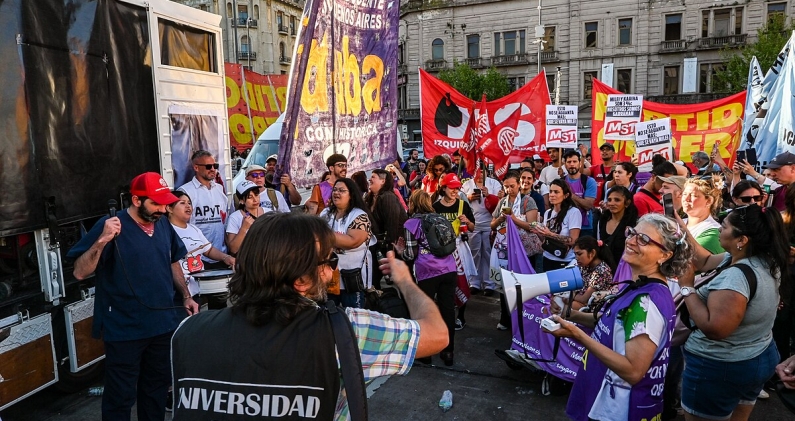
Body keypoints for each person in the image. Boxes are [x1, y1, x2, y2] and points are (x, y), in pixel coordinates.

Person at [171, 212, 448, 420]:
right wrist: (405, 281)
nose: (330, 273)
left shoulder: (187, 333)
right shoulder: (345, 332)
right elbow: (437, 334)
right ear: (302, 280)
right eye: (329, 261)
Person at [68, 172, 197, 421]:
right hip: (125, 328)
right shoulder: (110, 225)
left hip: (161, 325)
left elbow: (172, 261)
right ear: (137, 200)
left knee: (156, 390)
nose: (162, 209)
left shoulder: (163, 225)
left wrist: (185, 296)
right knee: (120, 396)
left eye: (165, 203)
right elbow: (80, 272)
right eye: (156, 203)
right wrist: (103, 240)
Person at [548, 213, 692, 421]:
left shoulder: (646, 301)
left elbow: (633, 371)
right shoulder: (639, 286)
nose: (631, 241)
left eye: (643, 239)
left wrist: (577, 335)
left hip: (617, 409)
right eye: (632, 233)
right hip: (605, 396)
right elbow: (611, 321)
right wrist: (569, 314)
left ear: (665, 255)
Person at [677, 204, 790, 421]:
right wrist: (681, 226)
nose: (719, 228)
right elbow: (705, 261)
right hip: (757, 356)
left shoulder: (735, 278)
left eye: (725, 226)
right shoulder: (764, 259)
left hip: (720, 367)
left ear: (742, 239)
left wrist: (687, 287)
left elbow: (715, 329)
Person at [393, 190, 458, 366]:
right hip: (450, 268)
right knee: (448, 310)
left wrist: (399, 251)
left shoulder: (411, 223)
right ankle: (448, 351)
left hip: (427, 272)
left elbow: (411, 254)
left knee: (424, 311)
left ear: (413, 203)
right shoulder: (440, 218)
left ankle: (426, 353)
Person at [491, 171, 541, 330]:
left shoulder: (528, 201)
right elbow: (492, 225)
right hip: (505, 250)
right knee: (504, 285)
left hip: (524, 251)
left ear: (519, 185)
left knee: (523, 286)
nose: (509, 190)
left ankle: (524, 319)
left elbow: (532, 227)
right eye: (506, 187)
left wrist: (513, 218)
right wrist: (500, 219)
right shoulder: (502, 202)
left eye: (512, 186)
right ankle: (505, 318)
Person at [167, 191, 234, 302]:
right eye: (182, 203)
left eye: (189, 203)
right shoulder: (167, 230)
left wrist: (226, 258)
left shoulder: (194, 229)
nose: (188, 206)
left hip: (198, 289)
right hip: (179, 292)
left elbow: (208, 250)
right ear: (169, 208)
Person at [319, 178, 375, 308]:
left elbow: (353, 241)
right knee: (328, 316)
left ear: (351, 195)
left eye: (342, 190)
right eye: (335, 190)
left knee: (352, 319)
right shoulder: (326, 213)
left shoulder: (359, 216)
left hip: (352, 278)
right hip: (329, 277)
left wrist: (321, 233)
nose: (336, 193)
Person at [178, 150, 229, 268]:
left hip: (221, 255)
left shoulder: (220, 189)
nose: (213, 169)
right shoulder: (185, 191)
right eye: (208, 166)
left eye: (215, 166)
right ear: (196, 167)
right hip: (198, 258)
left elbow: (225, 222)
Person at [461, 169, 502, 294]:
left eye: (482, 172)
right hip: (474, 223)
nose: (479, 175)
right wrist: (469, 197)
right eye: (477, 172)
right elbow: (460, 199)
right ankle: (474, 282)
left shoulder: (494, 183)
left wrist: (489, 195)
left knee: (489, 253)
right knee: (475, 252)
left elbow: (500, 200)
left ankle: (489, 283)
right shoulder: (467, 184)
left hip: (490, 223)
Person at [366, 169, 408, 288]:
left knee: (400, 283)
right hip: (380, 246)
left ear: (383, 181)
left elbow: (392, 225)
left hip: (394, 248)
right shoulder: (371, 198)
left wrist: (390, 250)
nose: (370, 179)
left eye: (373, 177)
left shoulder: (388, 197)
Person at [532, 179, 582, 270]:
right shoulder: (548, 213)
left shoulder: (573, 212)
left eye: (556, 192)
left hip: (565, 261)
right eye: (550, 191)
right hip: (547, 258)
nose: (552, 195)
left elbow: (573, 241)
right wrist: (538, 232)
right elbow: (545, 239)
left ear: (565, 195)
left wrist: (550, 234)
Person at [597, 186, 639, 266]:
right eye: (609, 200)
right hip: (606, 269)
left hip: (626, 269)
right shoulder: (602, 220)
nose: (612, 203)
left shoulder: (634, 224)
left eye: (617, 200)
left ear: (627, 203)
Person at [571, 236, 616, 310]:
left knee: (568, 306)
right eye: (575, 254)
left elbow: (584, 299)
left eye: (579, 254)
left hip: (594, 308)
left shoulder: (601, 271)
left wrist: (570, 296)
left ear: (592, 253)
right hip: (579, 301)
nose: (576, 258)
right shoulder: (584, 266)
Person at [682, 177, 724, 254]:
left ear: (709, 201)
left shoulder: (713, 231)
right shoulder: (676, 223)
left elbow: (692, 262)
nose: (686, 199)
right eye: (684, 194)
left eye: (693, 195)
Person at [225, 181, 266, 255]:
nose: (255, 200)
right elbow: (233, 249)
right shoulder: (235, 218)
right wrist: (243, 228)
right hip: (247, 260)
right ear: (241, 201)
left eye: (256, 195)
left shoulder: (268, 213)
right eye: (250, 197)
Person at [562, 150, 597, 236]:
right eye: (569, 162)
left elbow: (588, 205)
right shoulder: (561, 182)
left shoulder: (589, 181)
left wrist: (570, 194)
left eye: (575, 161)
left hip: (585, 227)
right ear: (565, 165)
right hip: (565, 225)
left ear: (580, 164)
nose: (572, 164)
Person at [584, 142, 617, 208]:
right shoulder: (595, 168)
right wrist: (582, 157)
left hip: (611, 206)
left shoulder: (618, 168)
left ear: (613, 153)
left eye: (607, 149)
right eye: (602, 150)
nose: (604, 151)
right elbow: (581, 172)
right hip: (596, 207)